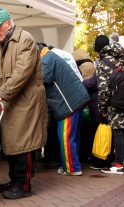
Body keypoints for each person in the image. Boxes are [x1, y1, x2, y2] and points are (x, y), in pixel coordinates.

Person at [0, 8, 47, 199]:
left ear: (9, 24)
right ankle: (14, 180)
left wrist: (1, 94)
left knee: (24, 143)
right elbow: (2, 75)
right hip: (13, 100)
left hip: (27, 101)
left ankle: (24, 184)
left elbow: (21, 74)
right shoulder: (1, 44)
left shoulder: (25, 40)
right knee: (12, 142)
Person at [38, 43, 90, 176]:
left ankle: (72, 168)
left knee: (66, 138)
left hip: (68, 104)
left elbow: (42, 79)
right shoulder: (51, 56)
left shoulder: (46, 60)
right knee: (72, 137)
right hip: (75, 101)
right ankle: (73, 164)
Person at [93, 35, 124, 175]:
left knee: (118, 131)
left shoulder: (103, 62)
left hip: (114, 103)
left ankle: (119, 163)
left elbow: (102, 88)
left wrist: (102, 107)